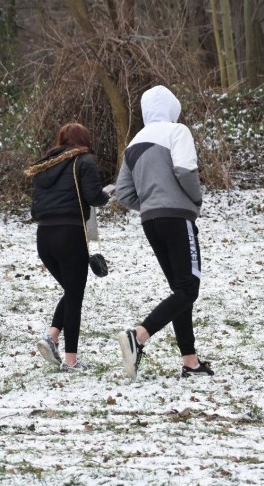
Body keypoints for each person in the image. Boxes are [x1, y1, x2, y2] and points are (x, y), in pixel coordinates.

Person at [113, 85, 213, 380]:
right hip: (177, 217)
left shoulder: (134, 142)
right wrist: (195, 201)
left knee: (180, 291)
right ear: (173, 107)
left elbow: (122, 192)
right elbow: (185, 171)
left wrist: (149, 205)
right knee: (188, 288)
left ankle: (190, 362)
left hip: (151, 221)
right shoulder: (177, 131)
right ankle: (139, 336)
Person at [25, 122, 110, 372]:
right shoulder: (84, 160)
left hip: (44, 237)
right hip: (70, 234)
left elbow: (35, 209)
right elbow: (95, 197)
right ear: (83, 140)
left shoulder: (43, 167)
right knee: (75, 295)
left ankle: (52, 338)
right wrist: (108, 194)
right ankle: (70, 361)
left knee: (72, 292)